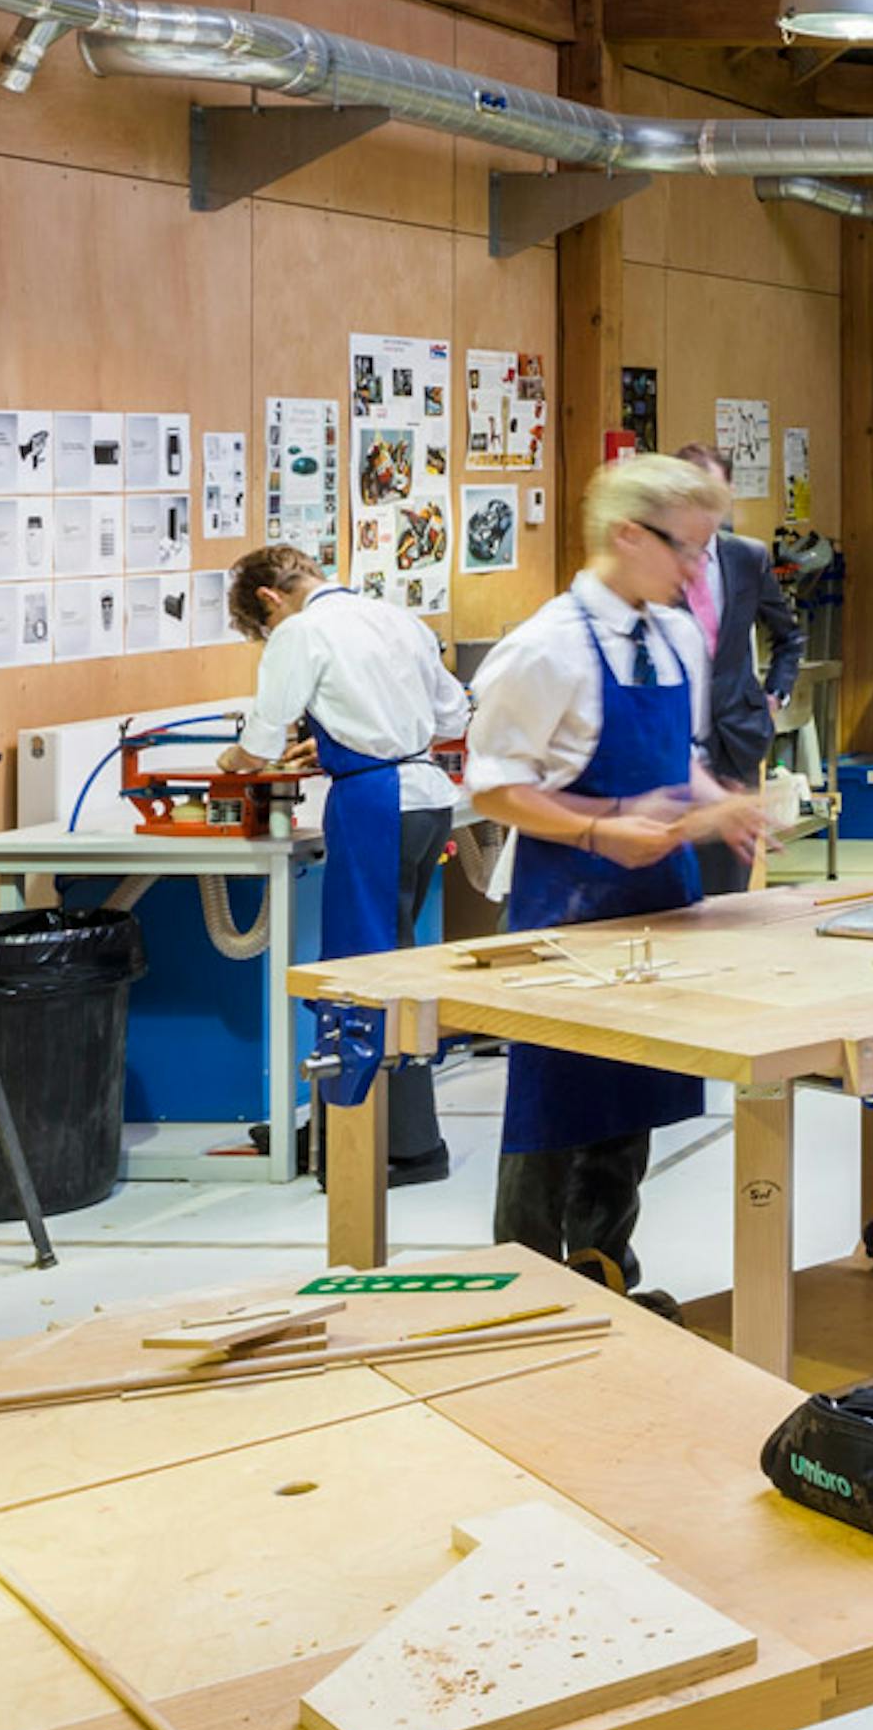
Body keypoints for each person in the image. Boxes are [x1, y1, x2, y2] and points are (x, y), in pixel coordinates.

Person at [460, 453, 775, 1296]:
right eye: (685, 550)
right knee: (551, 1116)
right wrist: (599, 830)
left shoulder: (675, 635)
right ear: (627, 534)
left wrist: (722, 801)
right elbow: (492, 783)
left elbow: (686, 756)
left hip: (655, 907)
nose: (694, 573)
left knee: (626, 1113)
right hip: (566, 911)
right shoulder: (547, 648)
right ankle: (523, 1289)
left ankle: (606, 1281)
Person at [222, 545, 471, 1186]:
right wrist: (354, 729)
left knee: (361, 978)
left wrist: (233, 764)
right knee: (398, 965)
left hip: (374, 802)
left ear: (269, 601)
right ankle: (353, 1125)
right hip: (426, 797)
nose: (272, 636)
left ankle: (388, 1146)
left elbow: (260, 739)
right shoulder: (395, 617)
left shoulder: (301, 630)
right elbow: (451, 713)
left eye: (263, 630)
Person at [667, 444, 803, 896]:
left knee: (730, 883)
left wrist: (774, 696)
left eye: (715, 494)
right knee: (676, 877)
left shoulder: (747, 557)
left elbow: (788, 635)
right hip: (676, 738)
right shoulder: (658, 561)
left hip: (738, 736)